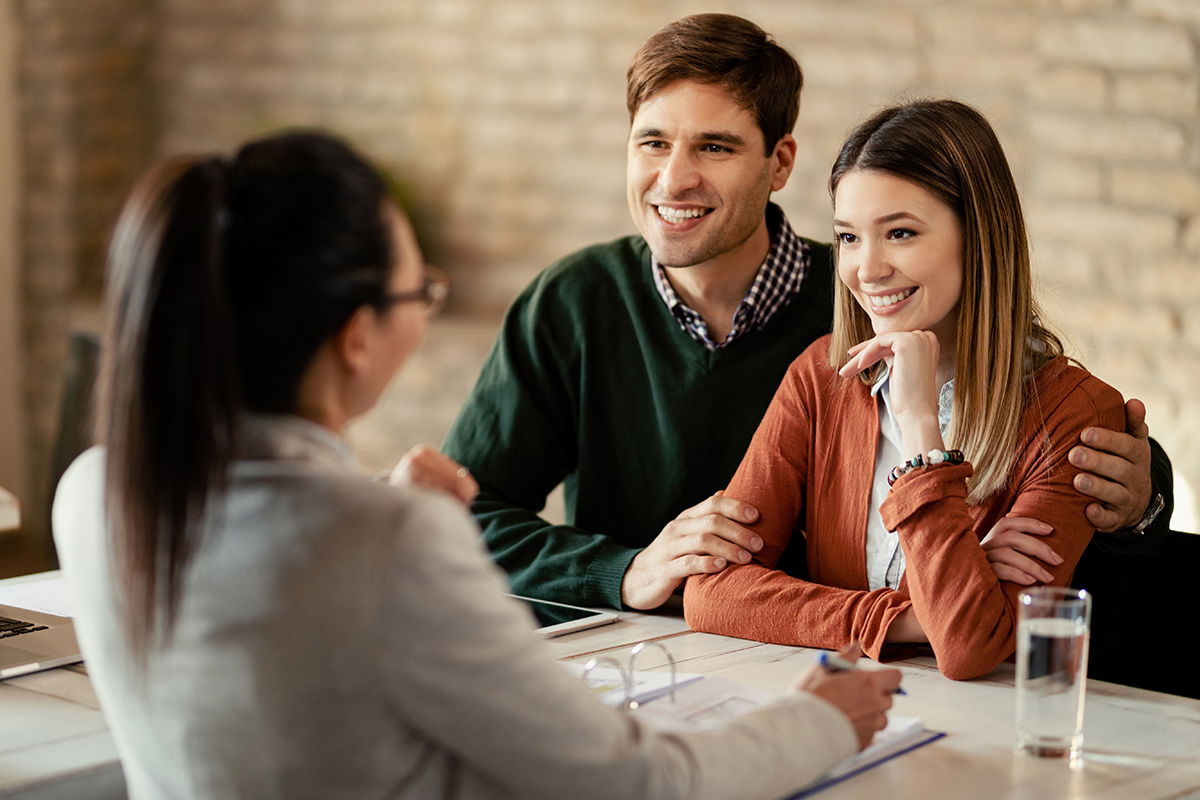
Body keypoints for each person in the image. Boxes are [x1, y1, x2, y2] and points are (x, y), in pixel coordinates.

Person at [52, 130, 902, 800]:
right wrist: (819, 720)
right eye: (419, 290)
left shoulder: (91, 491)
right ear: (357, 337)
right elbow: (637, 782)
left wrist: (378, 511)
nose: (675, 177)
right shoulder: (388, 538)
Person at [442, 13, 1173, 613]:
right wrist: (623, 572)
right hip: (633, 652)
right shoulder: (575, 301)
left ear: (781, 163)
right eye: (652, 143)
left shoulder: (871, 305)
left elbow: (1027, 408)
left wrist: (1143, 493)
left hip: (817, 655)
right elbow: (461, 516)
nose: (674, 178)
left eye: (715, 146)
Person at [683, 99, 1126, 681]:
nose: (867, 269)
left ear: (979, 237)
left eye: (899, 233)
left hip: (985, 736)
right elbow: (710, 592)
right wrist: (909, 619)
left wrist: (921, 428)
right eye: (847, 237)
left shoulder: (1074, 411)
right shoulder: (822, 375)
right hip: (839, 710)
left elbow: (969, 647)